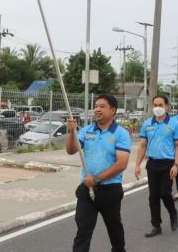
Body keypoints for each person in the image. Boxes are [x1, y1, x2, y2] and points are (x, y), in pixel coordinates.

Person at [66, 94, 131, 252]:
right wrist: (71, 132)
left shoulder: (121, 133)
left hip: (110, 190)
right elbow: (71, 150)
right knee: (83, 229)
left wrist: (96, 179)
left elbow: (122, 164)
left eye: (102, 106)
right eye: (96, 106)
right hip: (86, 189)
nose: (97, 109)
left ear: (112, 110)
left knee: (114, 227)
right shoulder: (87, 130)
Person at [135, 95, 178, 237]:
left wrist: (176, 165)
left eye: (160, 105)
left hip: (168, 164)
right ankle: (156, 226)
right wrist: (137, 164)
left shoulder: (174, 124)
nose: (157, 108)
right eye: (155, 105)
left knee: (164, 193)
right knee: (153, 196)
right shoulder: (147, 124)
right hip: (152, 163)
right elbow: (142, 145)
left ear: (167, 107)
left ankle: (173, 213)